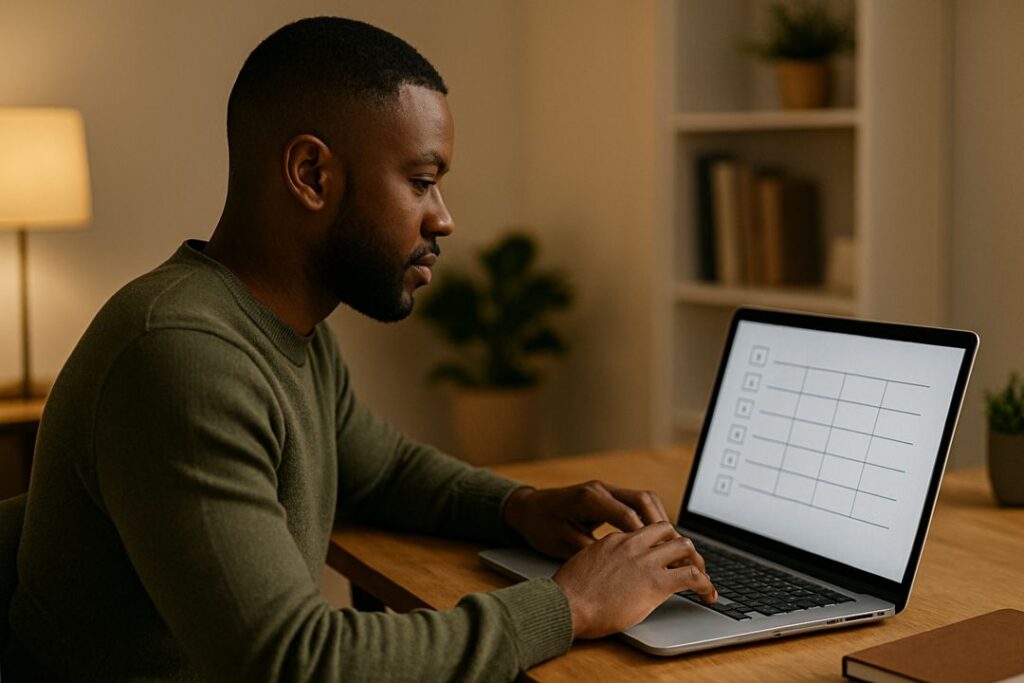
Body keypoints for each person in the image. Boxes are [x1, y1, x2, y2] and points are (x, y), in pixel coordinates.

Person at [2, 17, 716, 682]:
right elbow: (294, 661)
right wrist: (571, 605)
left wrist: (521, 506)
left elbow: (381, 470)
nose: (444, 218)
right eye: (422, 182)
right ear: (312, 174)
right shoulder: (182, 356)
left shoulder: (287, 331)